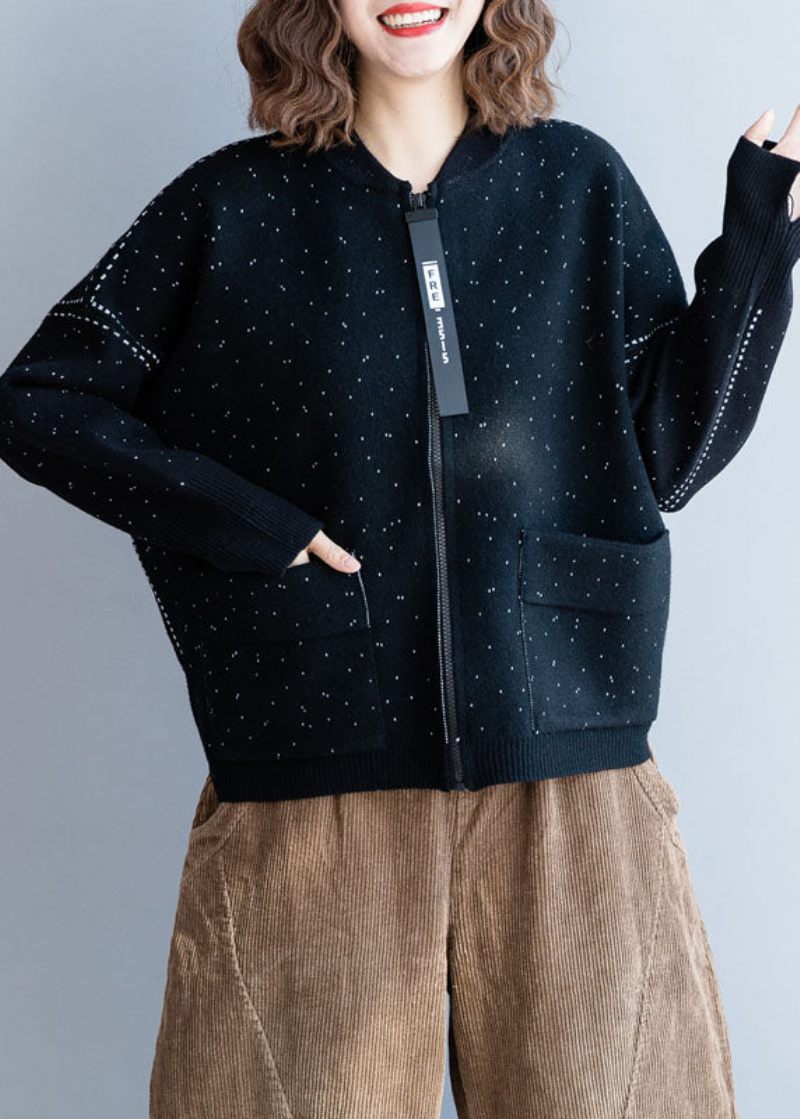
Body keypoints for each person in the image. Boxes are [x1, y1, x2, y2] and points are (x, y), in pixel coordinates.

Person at [1, 0, 799, 1114]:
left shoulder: (578, 185)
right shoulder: (228, 206)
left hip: (573, 794)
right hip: (310, 796)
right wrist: (252, 526)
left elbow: (669, 455)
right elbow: (40, 404)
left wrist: (759, 242)